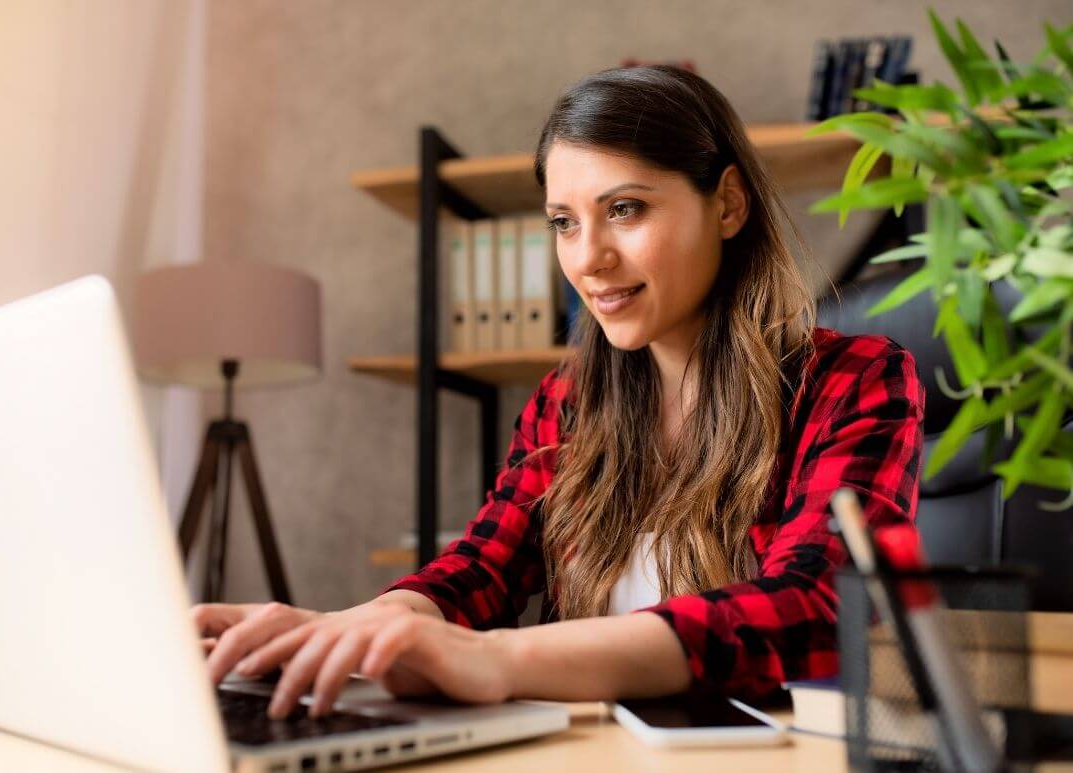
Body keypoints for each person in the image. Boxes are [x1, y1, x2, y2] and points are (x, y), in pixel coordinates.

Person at [194, 65, 925, 721]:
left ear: (728, 204)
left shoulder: (855, 380)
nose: (588, 258)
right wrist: (344, 629)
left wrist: (498, 660)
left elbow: (819, 608)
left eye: (626, 209)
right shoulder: (567, 402)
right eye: (564, 223)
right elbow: (481, 568)